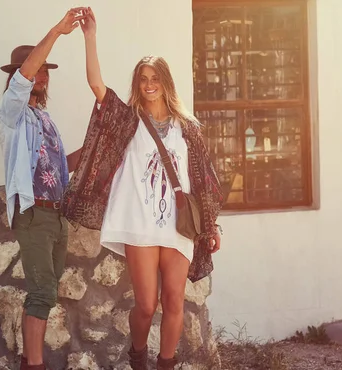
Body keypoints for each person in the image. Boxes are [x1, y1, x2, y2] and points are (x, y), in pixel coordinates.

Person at [62, 8, 223, 370]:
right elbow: (96, 85)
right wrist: (90, 37)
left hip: (179, 225)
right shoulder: (127, 120)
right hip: (139, 223)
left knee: (175, 300)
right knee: (147, 304)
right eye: (143, 78)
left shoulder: (189, 128)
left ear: (166, 82)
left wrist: (211, 226)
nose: (149, 84)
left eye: (155, 78)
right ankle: (138, 355)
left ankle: (165, 363)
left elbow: (204, 181)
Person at [0, 8, 85, 370]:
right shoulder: (10, 113)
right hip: (32, 214)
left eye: (47, 70)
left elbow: (63, 167)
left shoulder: (45, 118)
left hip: (56, 215)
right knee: (42, 293)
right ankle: (34, 364)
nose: (43, 74)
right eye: (38, 68)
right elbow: (25, 75)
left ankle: (28, 360)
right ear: (21, 74)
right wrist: (58, 31)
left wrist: (101, 141)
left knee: (45, 295)